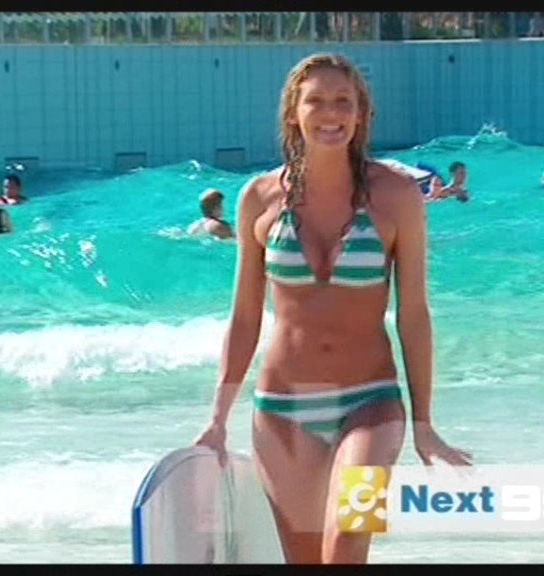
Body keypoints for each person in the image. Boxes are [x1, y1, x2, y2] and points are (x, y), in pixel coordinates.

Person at [193, 52, 471, 565]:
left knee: (348, 540)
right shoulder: (259, 197)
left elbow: (414, 314)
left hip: (372, 406)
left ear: (362, 113)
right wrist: (218, 418)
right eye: (316, 101)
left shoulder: (397, 195)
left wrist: (425, 423)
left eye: (344, 101)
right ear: (293, 113)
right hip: (281, 411)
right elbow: (245, 316)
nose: (331, 113)